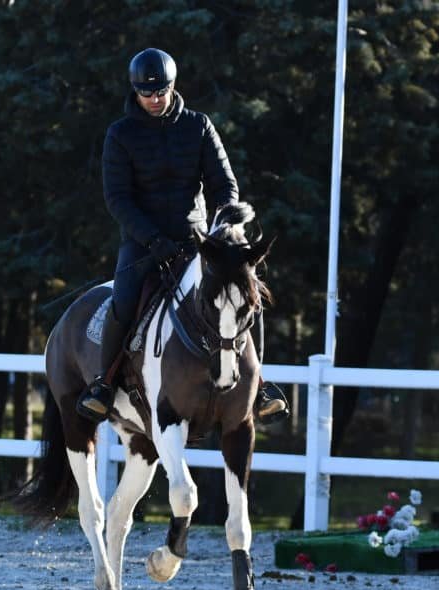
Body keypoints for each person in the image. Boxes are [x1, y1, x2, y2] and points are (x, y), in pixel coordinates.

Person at [76, 47, 289, 425]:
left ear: (174, 87)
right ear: (135, 91)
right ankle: (103, 384)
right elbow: (118, 199)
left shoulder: (199, 125)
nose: (155, 100)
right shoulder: (120, 135)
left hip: (199, 243)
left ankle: (260, 386)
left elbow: (224, 184)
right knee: (123, 301)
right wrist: (153, 238)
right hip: (144, 243)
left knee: (245, 293)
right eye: (147, 93)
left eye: (162, 92)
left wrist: (224, 226)